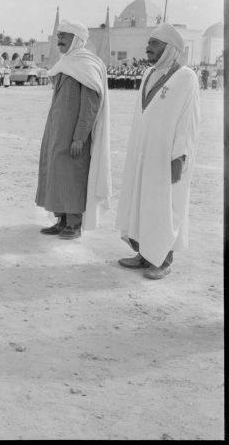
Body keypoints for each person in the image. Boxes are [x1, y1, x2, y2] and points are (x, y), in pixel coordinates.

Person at [116, 23, 200, 280]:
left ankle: (163, 260)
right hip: (145, 153)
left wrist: (180, 154)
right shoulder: (148, 74)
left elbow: (188, 120)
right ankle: (143, 253)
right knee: (143, 201)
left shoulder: (186, 77)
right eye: (149, 43)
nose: (148, 48)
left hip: (168, 156)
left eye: (154, 43)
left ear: (169, 48)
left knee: (164, 205)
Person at [36, 20, 111, 239]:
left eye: (64, 36)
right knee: (57, 173)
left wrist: (79, 137)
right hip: (57, 131)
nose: (59, 40)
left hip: (74, 135)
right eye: (58, 35)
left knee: (73, 177)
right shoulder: (67, 62)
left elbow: (90, 105)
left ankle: (74, 224)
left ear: (76, 39)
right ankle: (61, 219)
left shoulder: (86, 65)